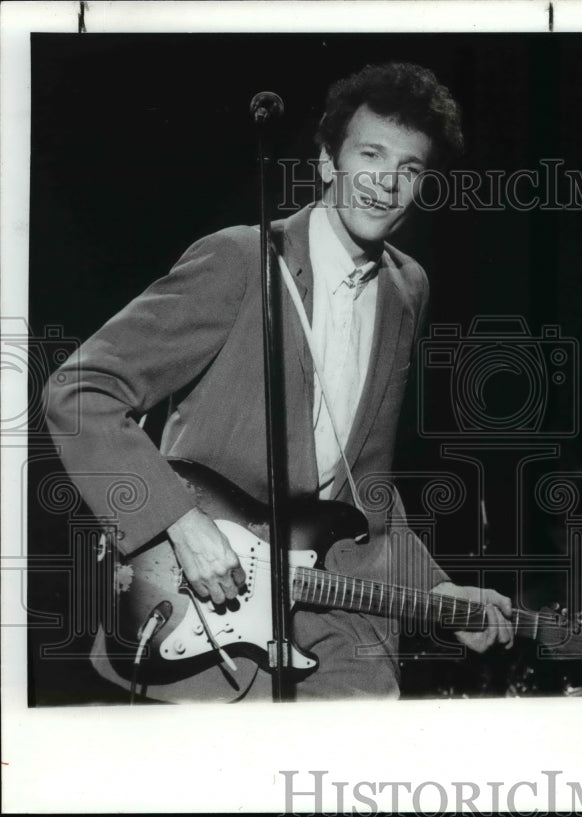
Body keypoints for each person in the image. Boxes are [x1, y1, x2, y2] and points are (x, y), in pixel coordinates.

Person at [44, 62, 513, 702]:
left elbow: (363, 482)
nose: (387, 182)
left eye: (410, 168)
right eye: (370, 154)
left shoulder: (409, 288)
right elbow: (80, 392)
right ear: (327, 162)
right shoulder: (241, 259)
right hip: (212, 593)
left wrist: (433, 589)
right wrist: (177, 523)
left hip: (336, 611)